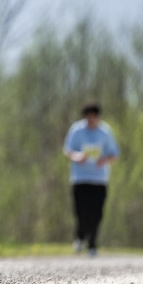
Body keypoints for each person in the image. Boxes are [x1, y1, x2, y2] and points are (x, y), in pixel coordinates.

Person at [63, 102, 120, 257]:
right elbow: (68, 150)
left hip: (99, 179)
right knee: (81, 212)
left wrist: (104, 160)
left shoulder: (105, 132)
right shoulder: (76, 130)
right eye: (88, 117)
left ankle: (93, 244)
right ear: (85, 117)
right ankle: (80, 236)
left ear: (97, 117)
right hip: (80, 178)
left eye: (94, 117)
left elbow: (114, 154)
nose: (91, 120)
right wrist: (77, 156)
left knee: (97, 213)